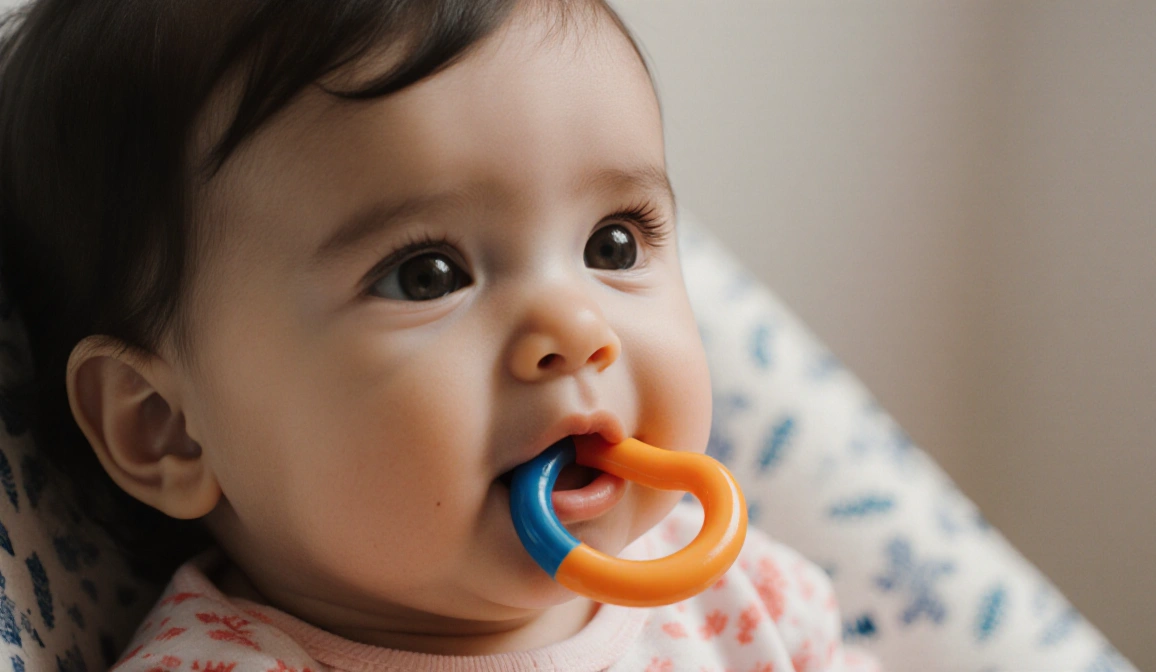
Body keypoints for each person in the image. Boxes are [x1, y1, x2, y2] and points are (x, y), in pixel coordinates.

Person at [0, 0, 880, 669]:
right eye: (428, 275)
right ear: (168, 425)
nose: (576, 330)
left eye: (612, 244)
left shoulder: (739, 605)